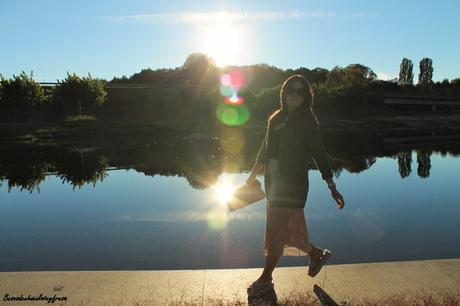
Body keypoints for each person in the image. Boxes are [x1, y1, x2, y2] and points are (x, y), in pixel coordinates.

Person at [245, 74, 345, 296]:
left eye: (301, 92)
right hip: (273, 185)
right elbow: (265, 149)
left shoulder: (307, 123)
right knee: (284, 231)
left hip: (294, 186)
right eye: (291, 90)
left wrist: (331, 185)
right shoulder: (276, 119)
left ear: (306, 96)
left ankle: (265, 279)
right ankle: (315, 254)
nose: (295, 95)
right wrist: (252, 177)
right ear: (284, 93)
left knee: (276, 233)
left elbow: (319, 153)